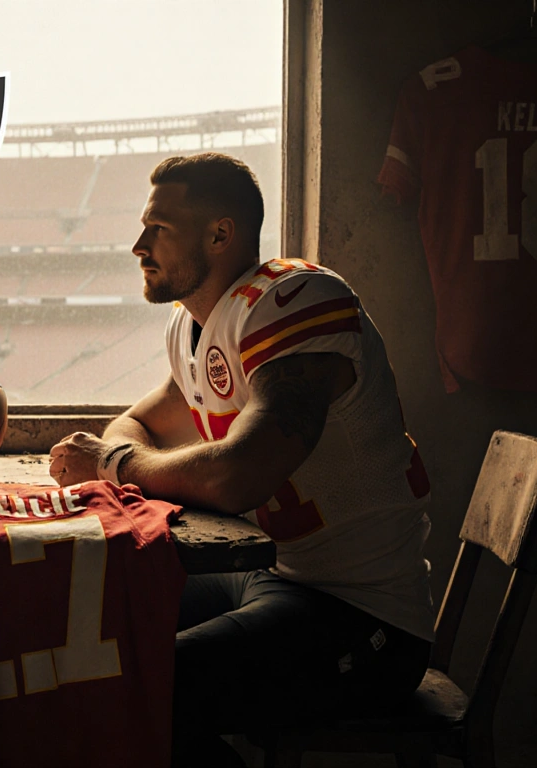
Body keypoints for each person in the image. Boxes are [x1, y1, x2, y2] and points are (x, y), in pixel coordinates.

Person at [48, 153, 434, 766]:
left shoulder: (297, 300)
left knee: (139, 692)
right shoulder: (194, 324)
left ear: (221, 234)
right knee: (90, 625)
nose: (138, 246)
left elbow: (237, 475)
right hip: (266, 574)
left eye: (159, 229)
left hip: (360, 612)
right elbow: (137, 424)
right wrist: (120, 454)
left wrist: (114, 464)